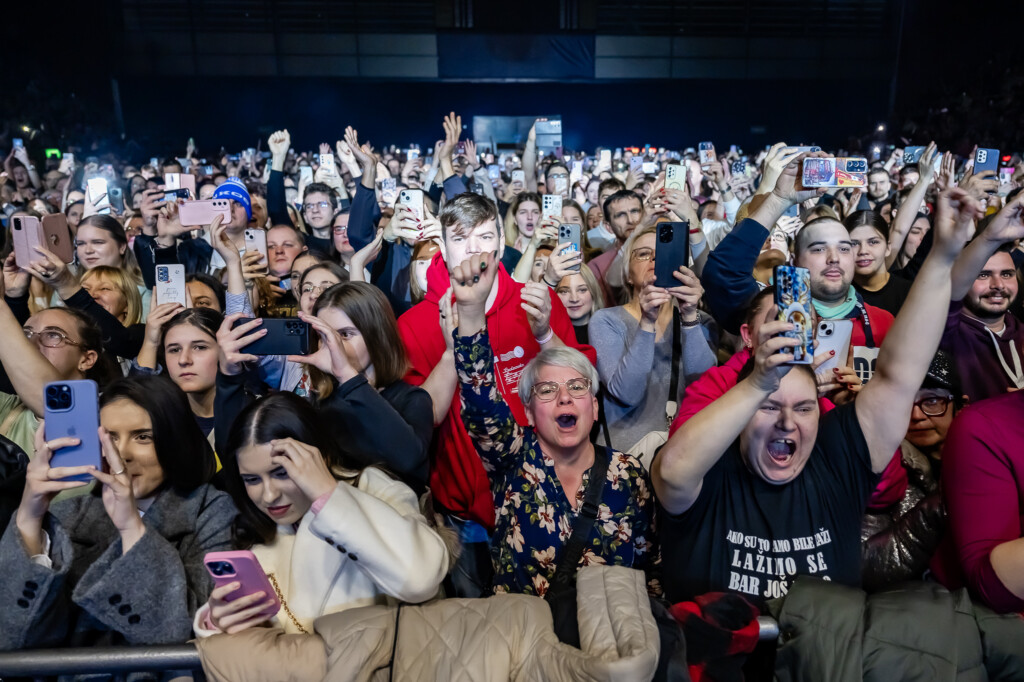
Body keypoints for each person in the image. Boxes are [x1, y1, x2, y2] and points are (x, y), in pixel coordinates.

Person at [650, 181, 976, 604]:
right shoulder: (714, 471)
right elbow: (673, 472)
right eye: (769, 406)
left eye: (803, 408)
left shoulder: (834, 458)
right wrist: (759, 381)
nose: (788, 422)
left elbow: (900, 374)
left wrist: (943, 256)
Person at [397, 192, 595, 597]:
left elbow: (584, 387)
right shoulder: (414, 323)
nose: (474, 250)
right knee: (476, 630)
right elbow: (419, 419)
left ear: (501, 245)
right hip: (463, 511)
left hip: (543, 495)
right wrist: (457, 343)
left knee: (545, 620)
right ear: (444, 247)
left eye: (485, 238)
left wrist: (546, 336)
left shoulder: (536, 302)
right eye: (460, 239)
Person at [451, 250, 652, 595]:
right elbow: (481, 401)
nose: (564, 398)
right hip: (525, 641)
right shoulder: (512, 460)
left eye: (577, 387)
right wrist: (470, 313)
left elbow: (651, 570)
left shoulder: (628, 473)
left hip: (609, 642)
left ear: (594, 405)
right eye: (547, 390)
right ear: (528, 411)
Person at [0, 374, 234, 649]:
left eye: (142, 437)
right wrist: (29, 517)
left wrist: (131, 527)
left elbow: (178, 634)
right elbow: (12, 638)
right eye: (109, 437)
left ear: (175, 439)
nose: (121, 453)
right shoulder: (69, 515)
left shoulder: (213, 511)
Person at [194, 392, 448, 635]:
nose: (269, 495)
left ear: (320, 457)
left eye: (281, 472)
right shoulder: (256, 536)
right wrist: (219, 623)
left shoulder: (375, 491)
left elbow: (419, 579)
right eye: (251, 479)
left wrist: (328, 495)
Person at [217, 282, 432, 489]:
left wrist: (348, 376)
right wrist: (229, 377)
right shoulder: (314, 402)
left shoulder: (412, 399)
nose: (333, 345)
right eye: (323, 336)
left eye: (345, 334)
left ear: (378, 335)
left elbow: (408, 460)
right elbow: (239, 457)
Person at [704, 152, 894, 382]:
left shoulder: (884, 322)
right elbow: (723, 273)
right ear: (794, 261)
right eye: (818, 249)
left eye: (844, 248)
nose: (833, 257)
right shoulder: (772, 310)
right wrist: (779, 199)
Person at [590, 225, 716, 457]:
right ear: (628, 274)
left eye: (663, 251)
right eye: (643, 253)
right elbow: (627, 393)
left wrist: (689, 316)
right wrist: (647, 323)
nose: (655, 258)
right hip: (623, 460)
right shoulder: (606, 320)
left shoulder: (701, 321)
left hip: (684, 454)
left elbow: (705, 387)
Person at [860, 351, 962, 592]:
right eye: (903, 401)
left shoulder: (985, 461)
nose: (916, 415)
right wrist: (939, 510)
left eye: (932, 401)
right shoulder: (881, 470)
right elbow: (863, 566)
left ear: (961, 405)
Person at [940, 191, 1024, 401]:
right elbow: (951, 290)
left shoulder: (1021, 332)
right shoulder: (946, 333)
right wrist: (988, 238)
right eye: (983, 275)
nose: (998, 285)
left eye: (1007, 274)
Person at [136, 307, 223, 442]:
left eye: (199, 347)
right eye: (174, 350)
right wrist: (150, 343)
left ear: (224, 351)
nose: (183, 360)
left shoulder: (251, 415)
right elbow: (132, 408)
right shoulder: (162, 418)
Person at [845, 211, 913, 315]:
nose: (863, 251)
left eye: (873, 242)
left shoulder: (910, 293)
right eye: (853, 244)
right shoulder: (837, 296)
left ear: (888, 248)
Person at [587, 189, 645, 306]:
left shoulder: (661, 252)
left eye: (635, 211)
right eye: (620, 215)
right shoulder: (597, 266)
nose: (630, 220)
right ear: (608, 225)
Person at [554, 263, 604, 344]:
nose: (574, 299)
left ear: (593, 292)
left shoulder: (610, 329)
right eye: (564, 291)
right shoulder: (548, 334)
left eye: (582, 290)